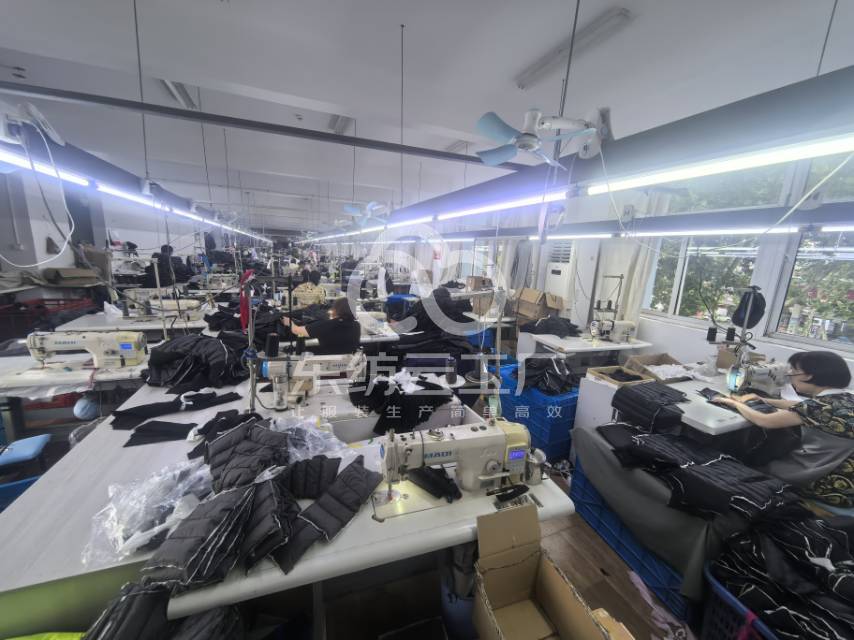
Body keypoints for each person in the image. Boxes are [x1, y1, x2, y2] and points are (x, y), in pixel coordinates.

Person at [713, 351, 853, 509]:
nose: (790, 375)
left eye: (794, 371)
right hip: (847, 480)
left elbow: (764, 421)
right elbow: (800, 406)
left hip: (827, 485)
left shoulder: (817, 407)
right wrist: (763, 399)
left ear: (808, 376)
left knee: (748, 464)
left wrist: (735, 404)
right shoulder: (846, 398)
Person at [281, 297, 361, 355]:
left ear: (337, 310)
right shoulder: (357, 326)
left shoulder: (328, 325)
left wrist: (289, 322)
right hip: (347, 364)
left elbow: (296, 330)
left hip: (325, 364)